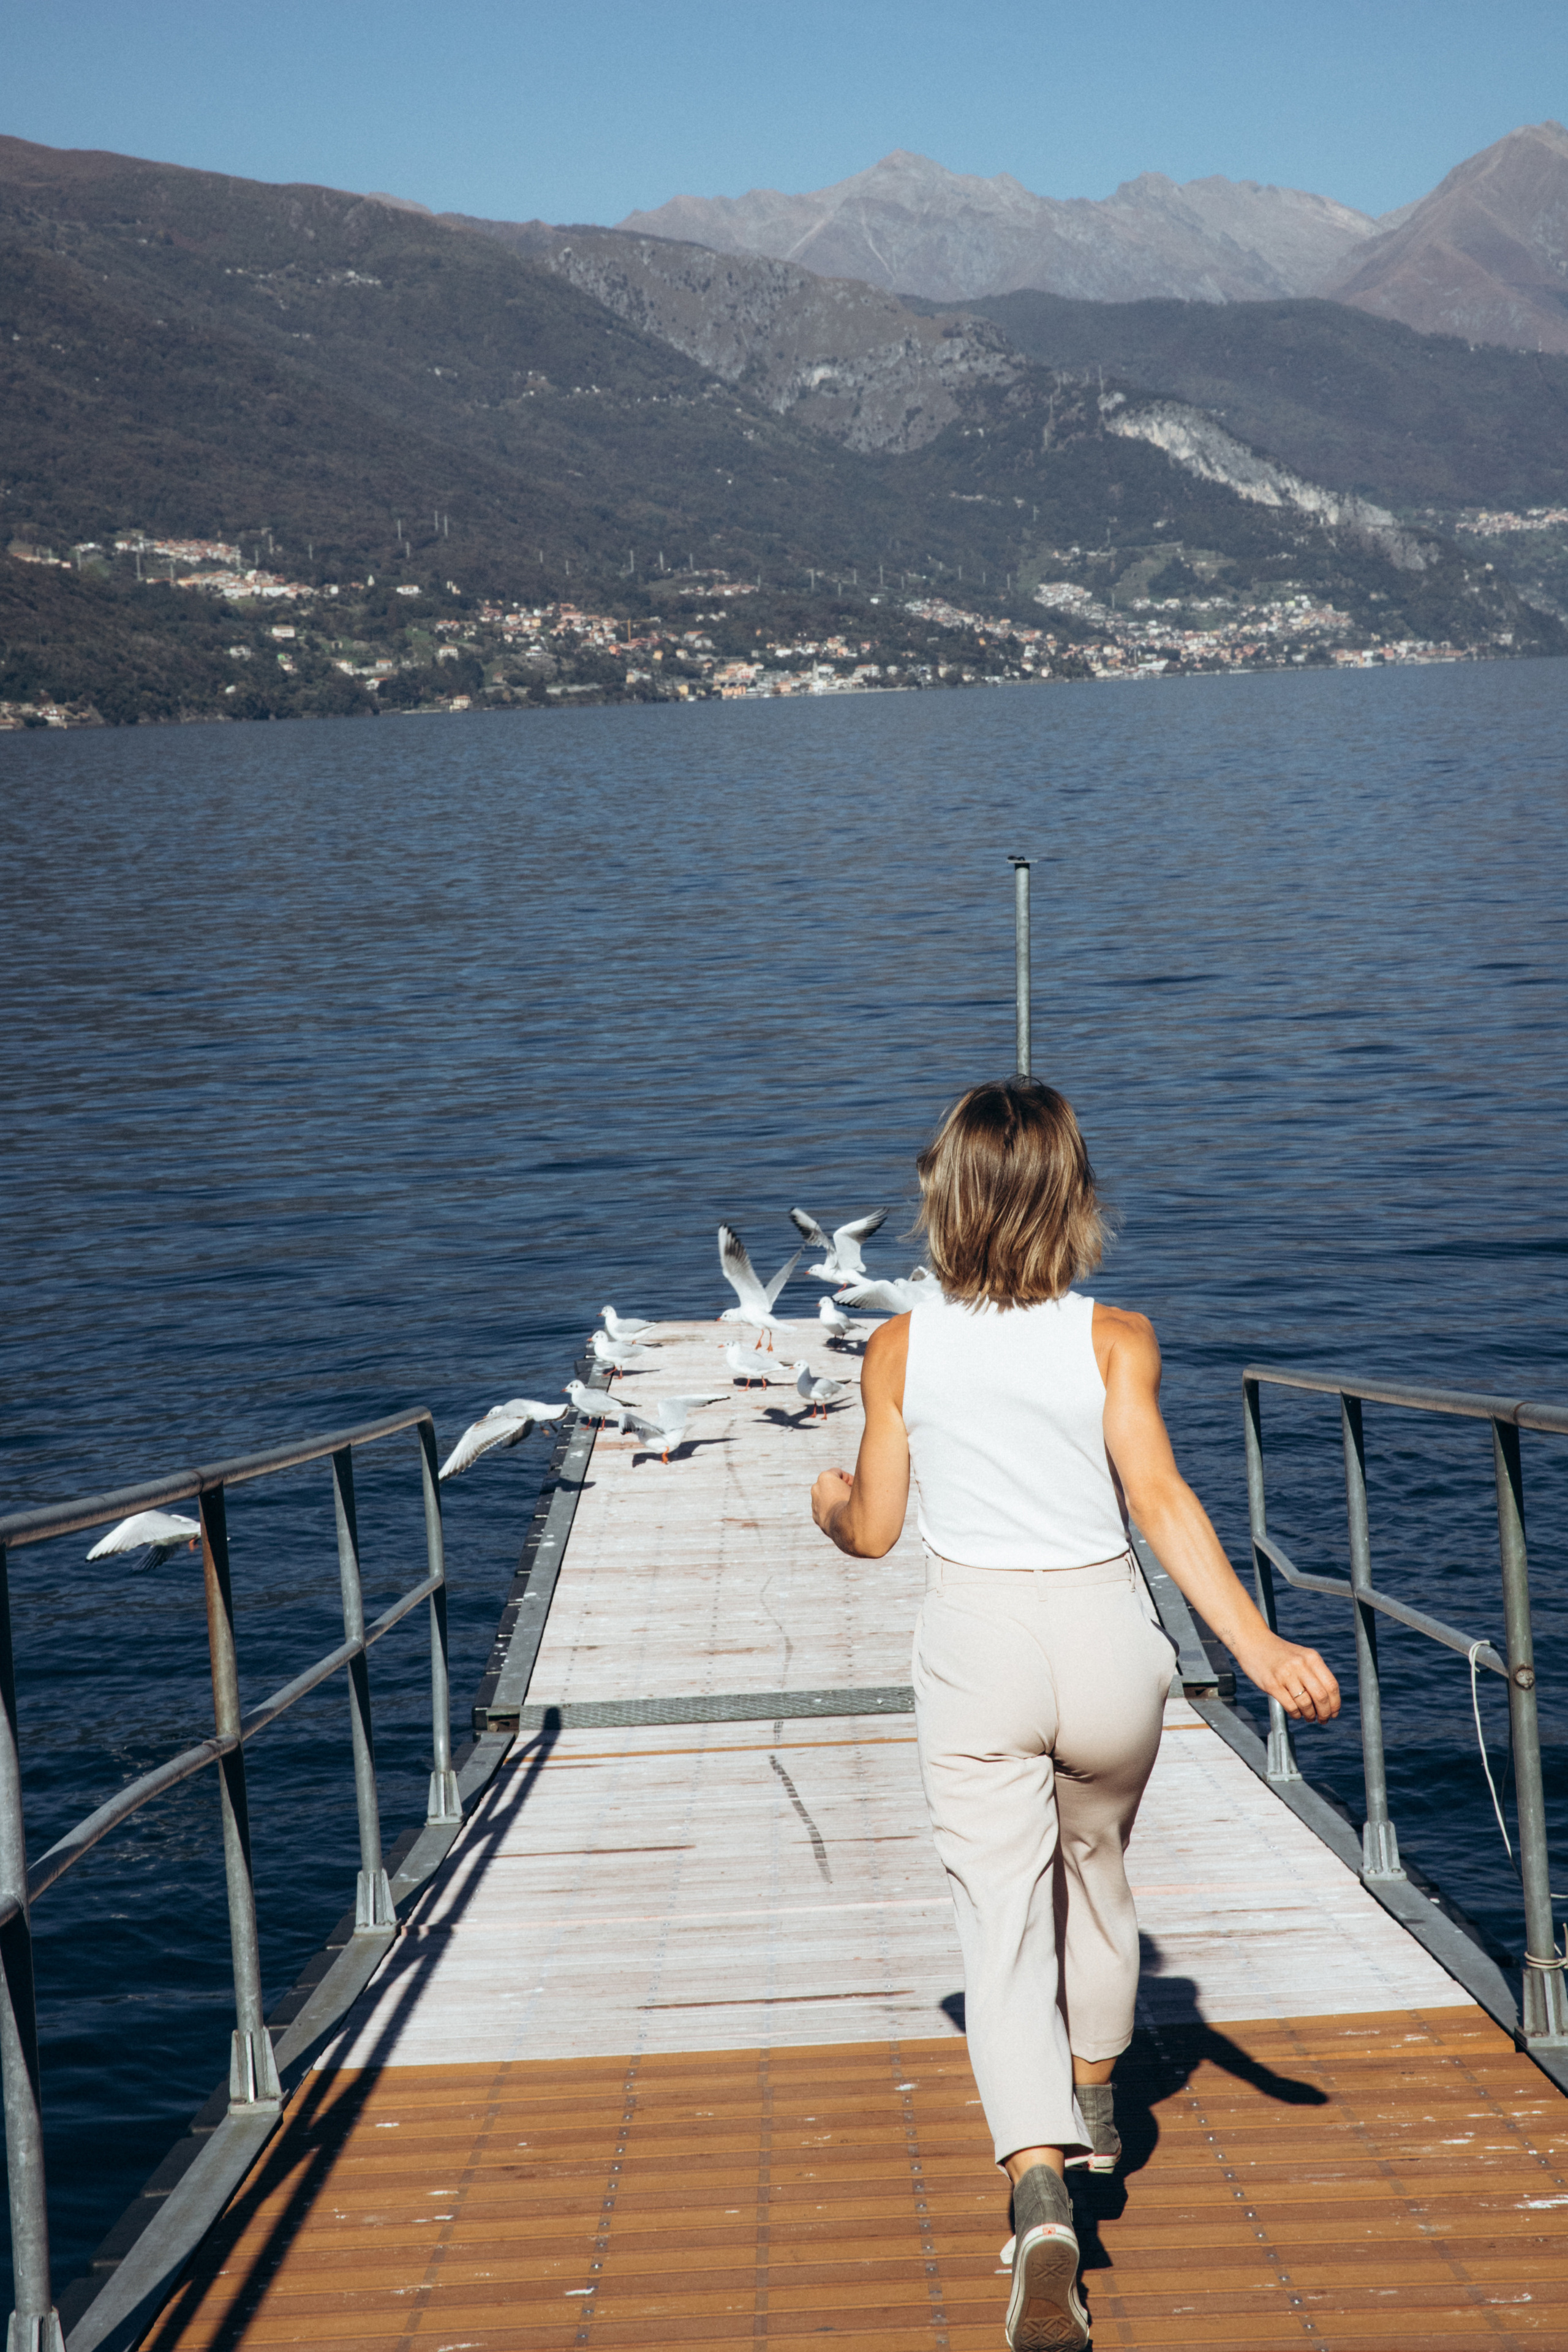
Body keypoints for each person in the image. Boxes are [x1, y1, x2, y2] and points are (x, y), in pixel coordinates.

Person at [810, 1077, 1340, 2352]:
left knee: (998, 1923)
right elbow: (1158, 1501)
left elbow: (875, 1532)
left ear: (943, 1202)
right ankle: (1094, 2093)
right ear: (1070, 1200)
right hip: (1107, 1640)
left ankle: (1040, 2200)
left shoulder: (898, 1349)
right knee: (1094, 1870)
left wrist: (824, 1499)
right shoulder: (1116, 1338)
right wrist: (1259, 1644)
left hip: (977, 1644)